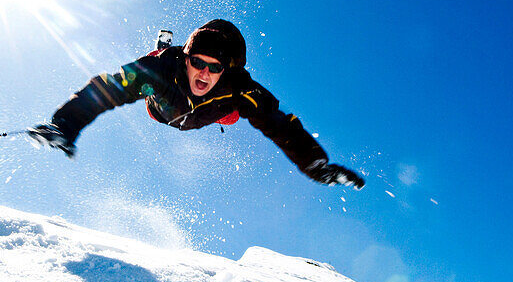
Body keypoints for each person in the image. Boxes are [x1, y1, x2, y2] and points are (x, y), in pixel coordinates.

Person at [29, 19, 365, 189]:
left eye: (214, 67)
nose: (204, 72)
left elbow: (279, 125)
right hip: (162, 107)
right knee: (143, 74)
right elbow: (107, 89)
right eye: (197, 62)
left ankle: (221, 99)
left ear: (225, 69)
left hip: (208, 114)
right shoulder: (163, 70)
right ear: (186, 59)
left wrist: (316, 165)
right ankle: (161, 47)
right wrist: (65, 126)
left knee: (236, 112)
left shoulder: (238, 88)